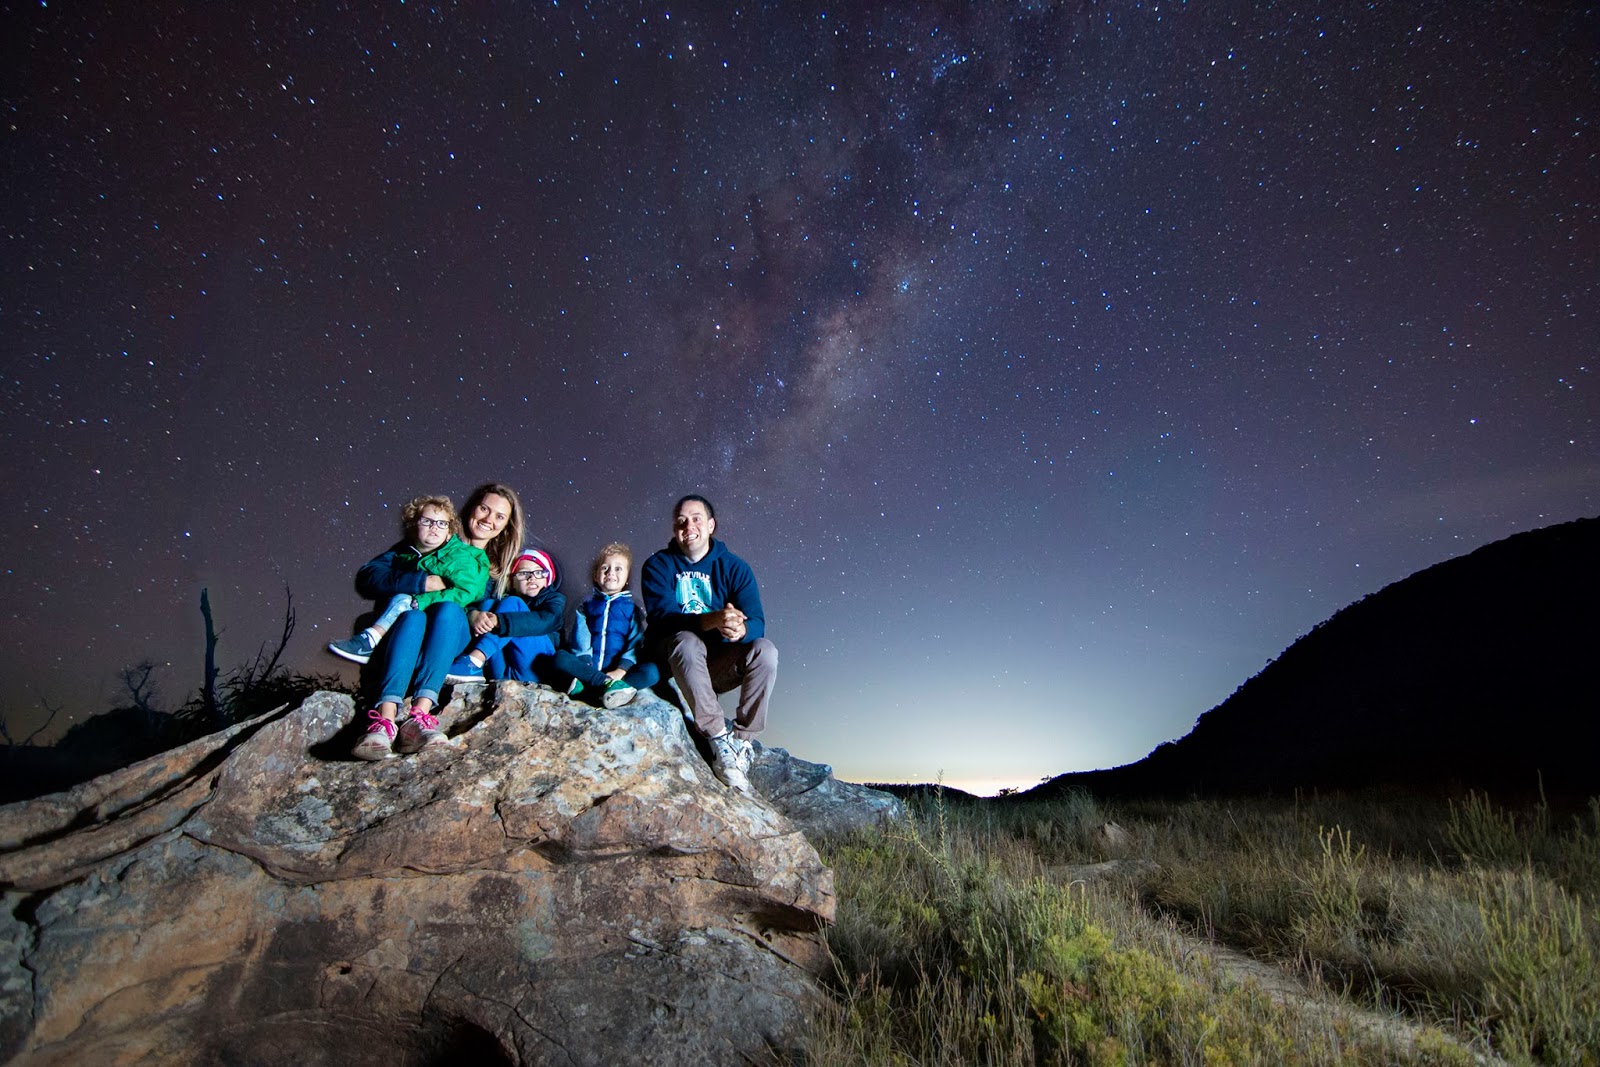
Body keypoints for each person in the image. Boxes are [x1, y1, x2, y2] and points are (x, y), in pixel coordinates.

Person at [641, 495, 777, 794]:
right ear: (674, 528)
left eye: (696, 519)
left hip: (716, 663)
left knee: (765, 651)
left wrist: (740, 629)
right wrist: (710, 620)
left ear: (711, 525)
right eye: (681, 521)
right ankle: (717, 738)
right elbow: (662, 619)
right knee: (686, 640)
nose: (688, 526)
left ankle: (741, 742)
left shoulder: (735, 567)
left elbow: (757, 621)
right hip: (675, 660)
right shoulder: (657, 565)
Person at [349, 495, 490, 760]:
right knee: (412, 617)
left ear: (450, 530)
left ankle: (419, 715)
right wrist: (420, 582)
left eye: (441, 523)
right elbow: (369, 576)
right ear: (415, 525)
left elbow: (468, 592)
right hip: (410, 633)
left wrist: (420, 599)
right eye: (427, 521)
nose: (434, 528)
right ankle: (385, 721)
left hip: (448, 632)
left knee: (446, 610)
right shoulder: (404, 554)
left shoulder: (466, 556)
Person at [329, 482, 527, 664]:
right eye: (484, 509)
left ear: (506, 526)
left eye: (499, 517)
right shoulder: (432, 538)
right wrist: (422, 582)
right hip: (409, 626)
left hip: (450, 644)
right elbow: (368, 577)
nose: (488, 519)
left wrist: (472, 614)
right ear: (471, 508)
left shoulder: (500, 574)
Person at [552, 543, 660, 709]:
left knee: (652, 672)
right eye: (605, 568)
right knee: (560, 657)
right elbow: (580, 638)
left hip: (619, 673)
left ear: (627, 577)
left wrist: (622, 669)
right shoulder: (586, 605)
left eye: (618, 569)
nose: (611, 572)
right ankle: (602, 685)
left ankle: (603, 691)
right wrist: (587, 665)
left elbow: (635, 643)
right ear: (596, 575)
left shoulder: (632, 608)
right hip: (589, 671)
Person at [445, 548, 566, 684]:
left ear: (547, 578)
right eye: (523, 573)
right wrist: (473, 614)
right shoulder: (505, 600)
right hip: (503, 671)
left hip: (537, 668)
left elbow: (547, 620)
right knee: (488, 605)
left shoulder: (554, 599)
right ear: (512, 581)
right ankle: (474, 669)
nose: (531, 578)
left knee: (513, 603)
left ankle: (474, 660)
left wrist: (500, 621)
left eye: (539, 572)